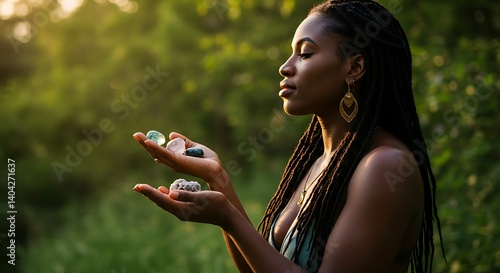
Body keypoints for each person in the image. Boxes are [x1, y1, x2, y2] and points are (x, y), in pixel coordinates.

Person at [132, 0, 445, 272]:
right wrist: (218, 179)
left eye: (305, 54)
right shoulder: (323, 161)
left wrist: (229, 217)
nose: (285, 67)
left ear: (354, 67)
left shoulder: (385, 167)